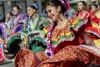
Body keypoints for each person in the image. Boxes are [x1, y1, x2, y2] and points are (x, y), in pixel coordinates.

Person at [15, 0, 100, 67]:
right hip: (56, 63)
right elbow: (46, 49)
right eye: (47, 12)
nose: (49, 14)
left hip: (73, 63)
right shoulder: (49, 29)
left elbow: (88, 41)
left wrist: (96, 54)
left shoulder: (72, 23)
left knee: (70, 50)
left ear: (58, 8)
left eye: (50, 11)